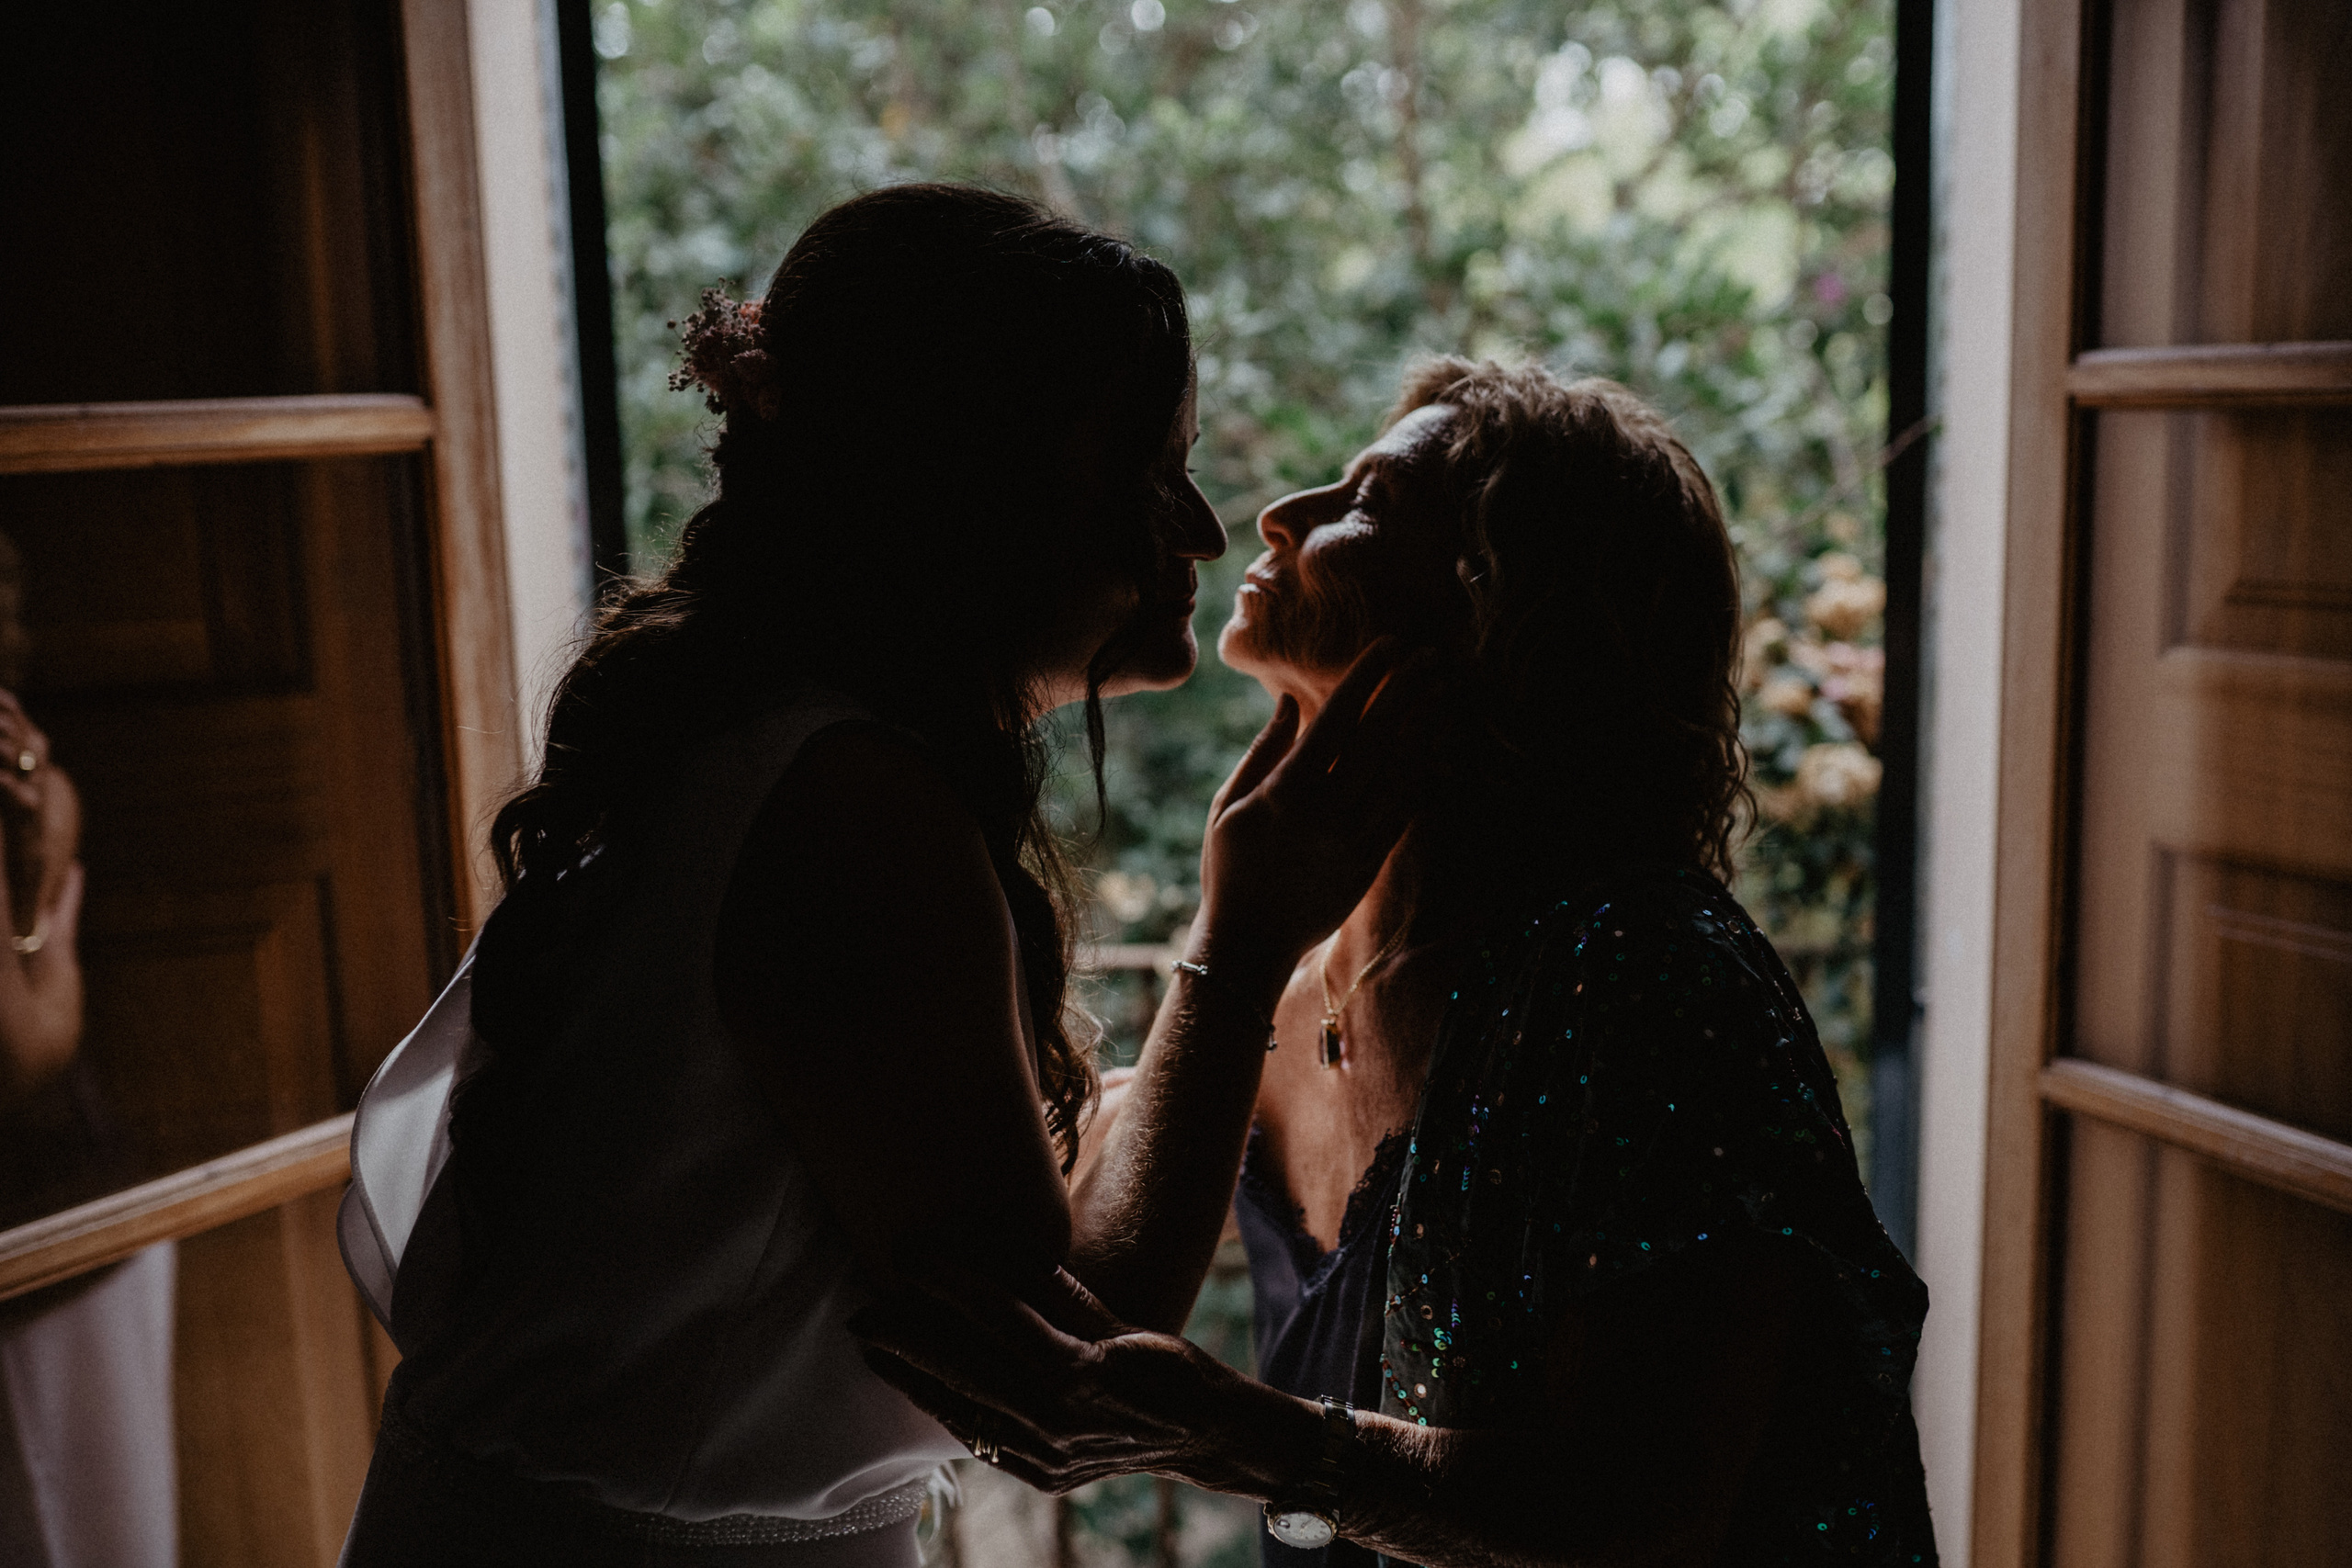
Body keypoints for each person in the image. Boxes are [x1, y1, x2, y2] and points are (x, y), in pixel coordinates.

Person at [854, 360, 1939, 1567]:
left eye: (1365, 505)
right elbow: (1095, 1302)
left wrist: (1240, 1437)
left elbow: (1647, 1519)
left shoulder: (1644, 981)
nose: (1280, 515)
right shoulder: (1304, 965)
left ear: (1502, 621)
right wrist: (1231, 937)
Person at [336, 184, 1238, 1567]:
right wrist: (1253, 923)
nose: (1201, 531)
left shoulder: (751, 739)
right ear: (974, 489)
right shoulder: (849, 810)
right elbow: (1066, 1381)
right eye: (1143, 470)